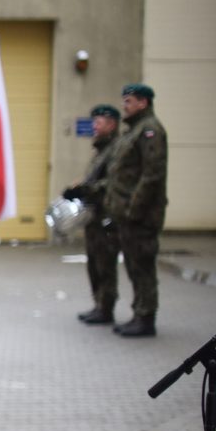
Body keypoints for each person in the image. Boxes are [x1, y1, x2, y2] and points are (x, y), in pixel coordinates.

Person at [104, 83, 168, 338]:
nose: (124, 106)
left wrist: (133, 209)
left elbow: (152, 175)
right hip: (127, 214)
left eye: (129, 101)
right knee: (133, 265)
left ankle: (146, 317)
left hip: (141, 215)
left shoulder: (150, 130)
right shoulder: (135, 130)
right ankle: (139, 313)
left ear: (143, 102)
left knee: (142, 266)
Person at [62, 104, 123, 326]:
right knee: (95, 263)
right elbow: (93, 179)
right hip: (94, 215)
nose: (94, 125)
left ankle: (106, 308)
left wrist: (85, 189)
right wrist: (78, 187)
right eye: (94, 121)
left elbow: (112, 182)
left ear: (112, 124)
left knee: (105, 264)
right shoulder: (101, 149)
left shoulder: (116, 149)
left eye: (99, 121)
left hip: (107, 215)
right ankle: (99, 305)